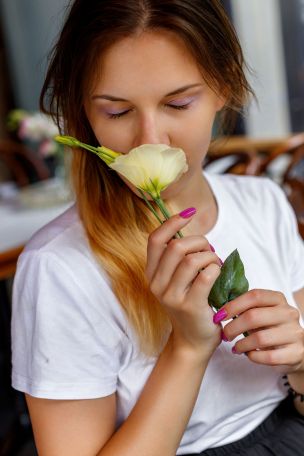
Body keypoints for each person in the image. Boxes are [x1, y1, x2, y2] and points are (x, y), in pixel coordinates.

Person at [11, 1, 304, 455]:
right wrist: (187, 347)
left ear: (224, 86)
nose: (150, 139)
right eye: (116, 112)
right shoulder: (59, 267)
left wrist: (300, 361)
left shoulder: (263, 203)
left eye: (178, 103)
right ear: (83, 113)